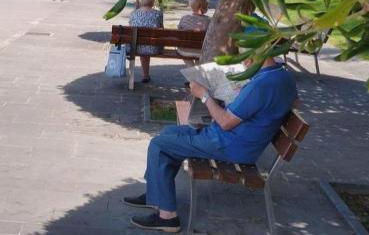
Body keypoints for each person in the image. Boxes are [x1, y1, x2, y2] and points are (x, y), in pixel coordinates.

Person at [124, 56, 298, 232]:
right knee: (170, 133)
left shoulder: (262, 84)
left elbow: (225, 122)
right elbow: (270, 106)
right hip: (238, 141)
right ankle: (156, 197)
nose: (244, 61)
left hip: (229, 145)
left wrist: (204, 95)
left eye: (246, 54)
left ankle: (167, 217)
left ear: (259, 52)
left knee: (159, 144)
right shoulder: (283, 75)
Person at [128, 0, 163, 84]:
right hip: (154, 48)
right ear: (152, 1)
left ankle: (145, 75)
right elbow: (162, 30)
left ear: (140, 0)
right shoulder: (158, 14)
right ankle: (146, 75)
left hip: (136, 47)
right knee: (148, 45)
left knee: (142, 45)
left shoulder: (133, 14)